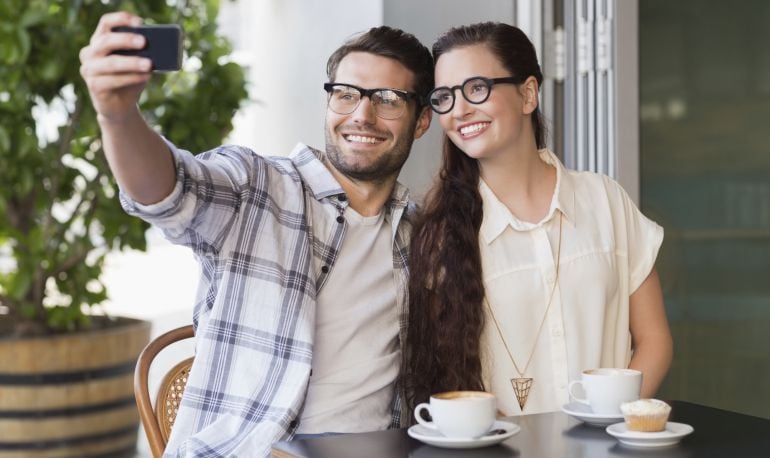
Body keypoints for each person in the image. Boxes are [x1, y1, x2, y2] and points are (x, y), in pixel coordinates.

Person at [79, 12, 433, 456]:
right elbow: (169, 191)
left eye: (387, 98)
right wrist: (118, 116)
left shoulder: (419, 235)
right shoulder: (256, 186)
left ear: (420, 121)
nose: (362, 114)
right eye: (346, 94)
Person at [402, 22, 673, 417]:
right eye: (444, 96)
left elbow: (654, 340)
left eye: (477, 88)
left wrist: (609, 423)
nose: (459, 110)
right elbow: (446, 383)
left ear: (528, 93)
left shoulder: (605, 199)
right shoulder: (439, 233)